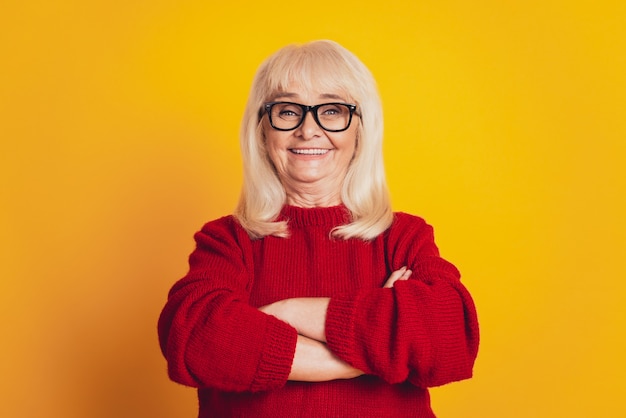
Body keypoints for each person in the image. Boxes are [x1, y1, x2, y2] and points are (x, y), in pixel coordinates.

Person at [158, 40, 479, 417]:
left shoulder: (403, 237)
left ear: (360, 129)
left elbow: (450, 337)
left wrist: (286, 312)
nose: (308, 130)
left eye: (331, 110)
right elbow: (195, 336)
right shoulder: (227, 240)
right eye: (288, 110)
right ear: (263, 130)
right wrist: (368, 350)